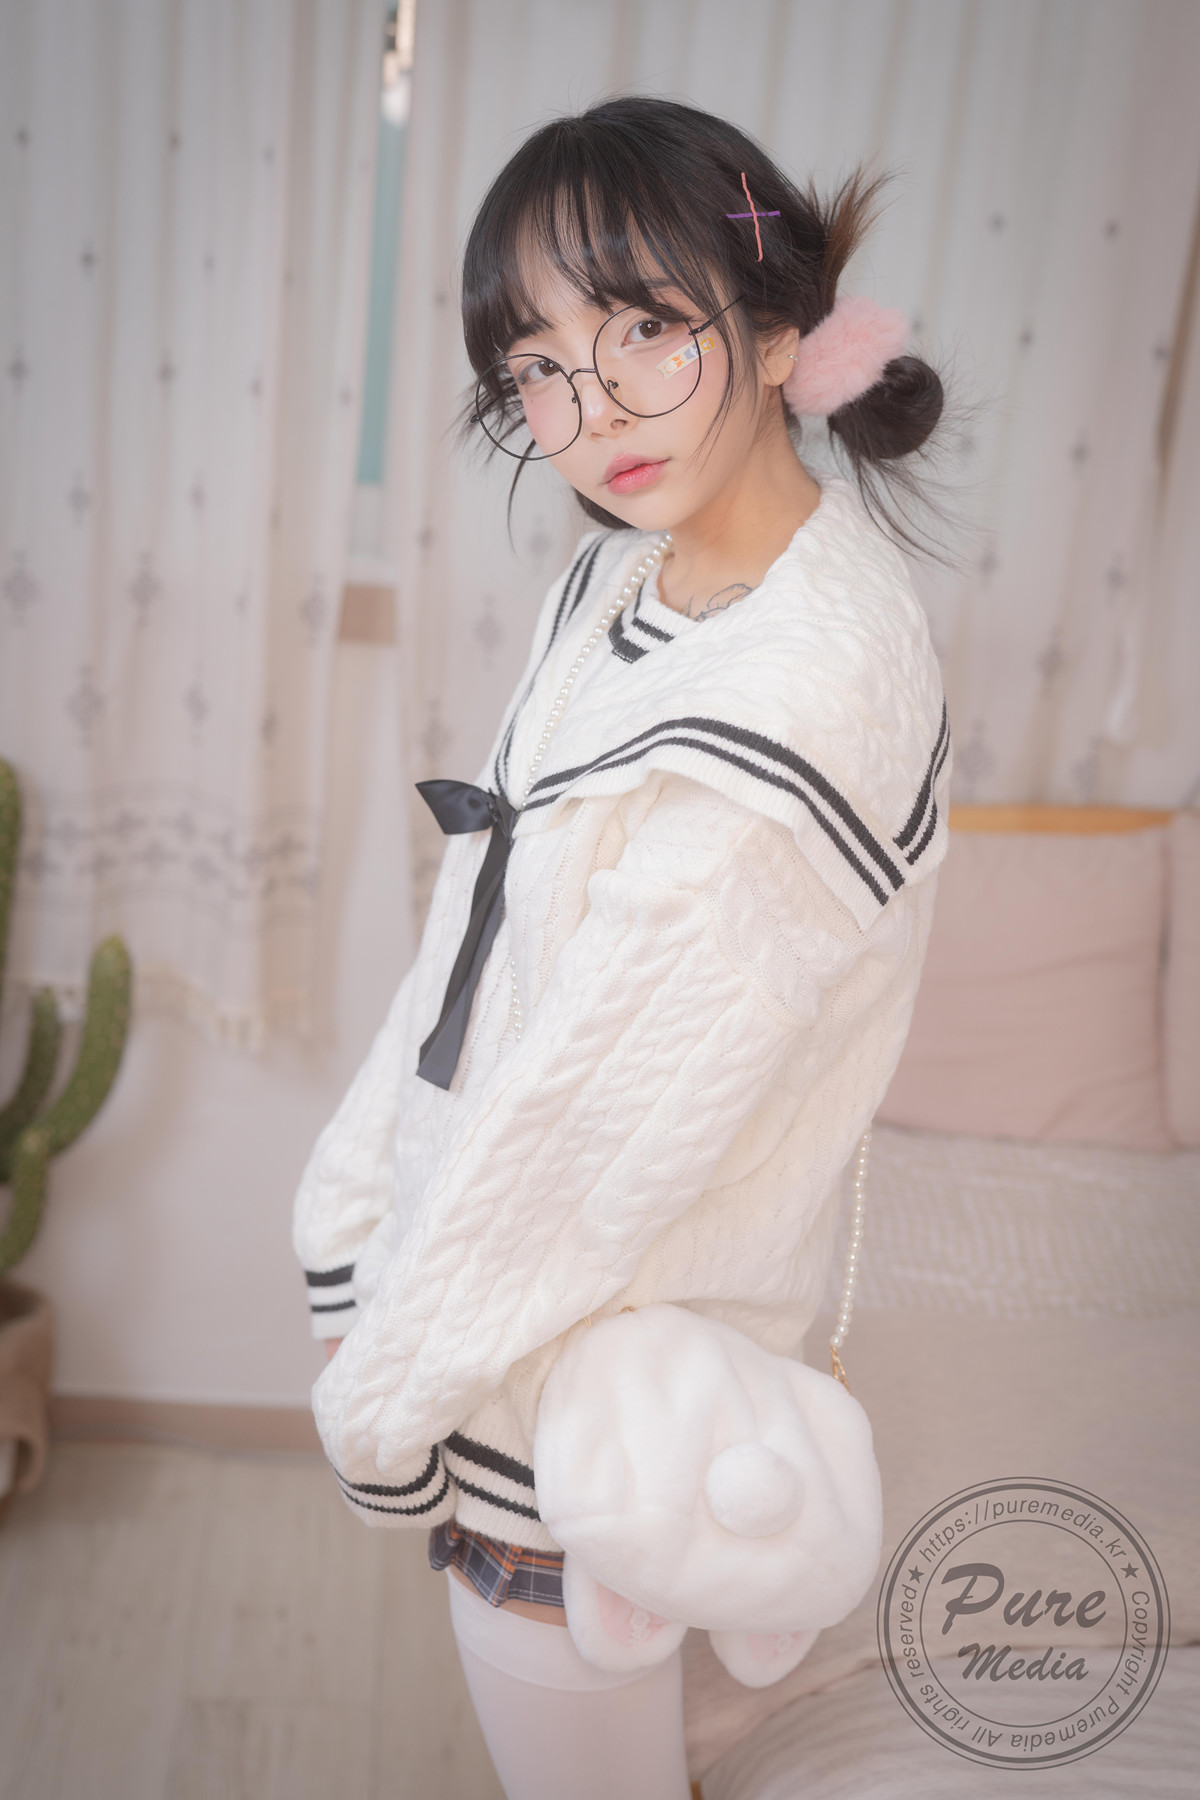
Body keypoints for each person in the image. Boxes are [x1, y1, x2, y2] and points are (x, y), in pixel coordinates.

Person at [293, 95, 952, 1800]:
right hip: (488, 1323)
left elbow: (601, 1119)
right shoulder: (615, 586)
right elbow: (473, 937)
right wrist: (350, 1235)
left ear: (780, 326)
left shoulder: (817, 678)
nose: (592, 413)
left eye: (647, 330)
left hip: (592, 1387)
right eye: (540, 367)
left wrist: (386, 1388)